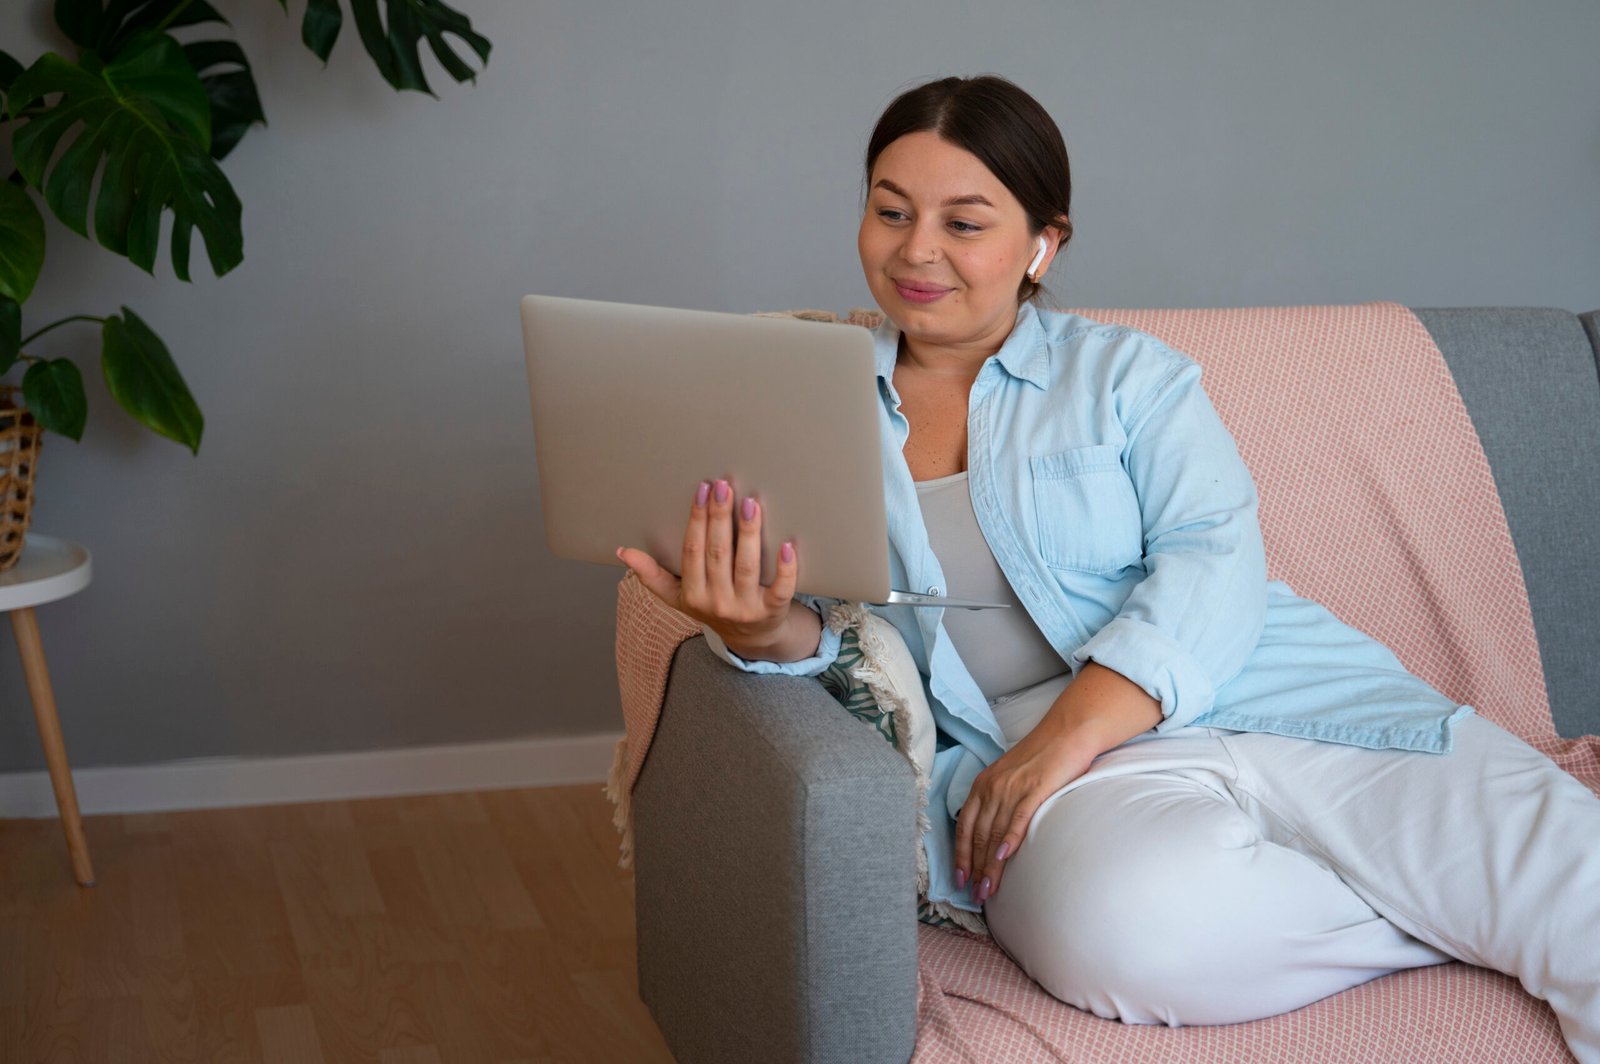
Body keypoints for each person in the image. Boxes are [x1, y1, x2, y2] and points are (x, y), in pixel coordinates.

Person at [617, 74, 1600, 1058]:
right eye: (890, 211)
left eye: (964, 222)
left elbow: (1214, 557)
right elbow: (844, 641)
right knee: (1132, 938)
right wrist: (757, 629)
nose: (916, 249)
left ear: (1044, 242)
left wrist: (1067, 736)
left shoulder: (1131, 376)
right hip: (1057, 777)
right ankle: (1460, 919)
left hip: (1278, 696)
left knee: (1576, 881)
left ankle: (1493, 902)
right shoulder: (806, 400)